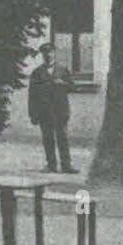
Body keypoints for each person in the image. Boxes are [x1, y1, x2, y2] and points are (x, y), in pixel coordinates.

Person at [28, 42, 77, 173]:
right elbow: (32, 95)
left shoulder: (63, 70)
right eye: (45, 53)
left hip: (60, 110)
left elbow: (73, 87)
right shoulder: (37, 73)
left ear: (54, 53)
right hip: (45, 112)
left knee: (63, 138)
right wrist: (33, 114)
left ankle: (66, 166)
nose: (48, 55)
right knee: (48, 138)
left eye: (50, 52)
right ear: (42, 55)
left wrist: (63, 83)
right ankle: (51, 165)